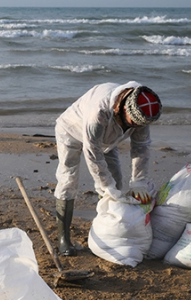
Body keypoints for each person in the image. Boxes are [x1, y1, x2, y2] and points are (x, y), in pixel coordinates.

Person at [53, 81, 162, 256]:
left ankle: (104, 227)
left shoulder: (143, 110)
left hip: (107, 140)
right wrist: (105, 186)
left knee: (116, 180)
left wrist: (138, 180)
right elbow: (93, 154)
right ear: (125, 110)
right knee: (68, 180)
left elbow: (141, 147)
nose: (136, 128)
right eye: (133, 123)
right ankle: (63, 239)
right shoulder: (99, 113)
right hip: (71, 131)